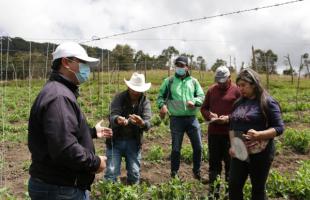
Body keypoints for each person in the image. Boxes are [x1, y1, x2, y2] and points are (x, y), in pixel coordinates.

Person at [28, 42, 113, 200]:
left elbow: (58, 134)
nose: (87, 69)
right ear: (66, 62)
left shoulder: (58, 91)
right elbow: (64, 148)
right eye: (83, 63)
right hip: (60, 188)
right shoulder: (59, 97)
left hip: (56, 185)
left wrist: (92, 132)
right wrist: (95, 163)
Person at [228, 68, 284, 200]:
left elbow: (279, 128)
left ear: (254, 84)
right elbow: (233, 124)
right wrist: (233, 145)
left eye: (244, 85)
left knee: (257, 189)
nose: (240, 89)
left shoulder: (268, 102)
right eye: (239, 86)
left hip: (261, 152)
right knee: (234, 185)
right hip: (240, 150)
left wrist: (259, 134)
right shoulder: (238, 103)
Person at [157, 55, 205, 180]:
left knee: (198, 146)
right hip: (176, 119)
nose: (179, 68)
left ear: (187, 67)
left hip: (192, 119)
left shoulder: (193, 81)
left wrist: (194, 101)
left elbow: (201, 96)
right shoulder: (169, 81)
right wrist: (162, 106)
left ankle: (197, 171)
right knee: (176, 148)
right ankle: (174, 174)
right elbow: (160, 97)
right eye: (177, 65)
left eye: (182, 66)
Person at [104, 72, 152, 184]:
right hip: (115, 141)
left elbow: (148, 123)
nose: (135, 92)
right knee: (111, 173)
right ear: (128, 87)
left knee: (134, 174)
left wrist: (141, 123)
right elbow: (112, 115)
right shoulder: (119, 98)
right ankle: (109, 195)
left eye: (138, 90)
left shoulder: (145, 102)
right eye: (133, 89)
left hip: (134, 142)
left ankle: (132, 194)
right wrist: (117, 119)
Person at [200, 66, 241, 198]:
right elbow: (204, 108)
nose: (221, 83)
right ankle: (214, 194)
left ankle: (231, 194)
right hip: (214, 134)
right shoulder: (211, 90)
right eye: (219, 81)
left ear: (230, 78)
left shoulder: (237, 91)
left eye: (224, 81)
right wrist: (210, 116)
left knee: (231, 166)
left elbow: (243, 111)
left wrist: (229, 118)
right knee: (214, 165)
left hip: (232, 134)